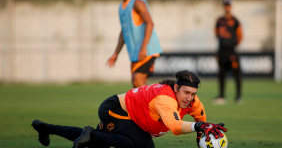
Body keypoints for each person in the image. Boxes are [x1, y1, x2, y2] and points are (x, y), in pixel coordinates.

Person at [31, 70, 227, 148]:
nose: (190, 98)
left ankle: (44, 127)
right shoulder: (165, 100)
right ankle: (92, 134)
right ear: (176, 87)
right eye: (186, 92)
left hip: (131, 117)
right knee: (143, 147)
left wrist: (204, 130)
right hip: (115, 111)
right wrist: (198, 126)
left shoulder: (192, 101)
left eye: (193, 93)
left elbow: (200, 116)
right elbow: (175, 126)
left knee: (96, 146)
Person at [105, 0, 162, 88]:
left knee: (137, 80)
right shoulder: (122, 6)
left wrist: (143, 48)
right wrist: (116, 54)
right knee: (138, 86)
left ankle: (161, 103)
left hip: (147, 50)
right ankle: (154, 104)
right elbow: (124, 32)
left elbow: (150, 23)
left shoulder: (137, 2)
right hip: (135, 52)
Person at [214, 0, 243, 105]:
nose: (227, 7)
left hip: (232, 52)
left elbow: (240, 36)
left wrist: (232, 46)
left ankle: (238, 97)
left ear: (231, 6)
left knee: (237, 74)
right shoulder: (219, 20)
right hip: (222, 52)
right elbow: (216, 34)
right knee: (221, 74)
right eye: (225, 5)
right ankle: (222, 96)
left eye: (228, 5)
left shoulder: (235, 21)